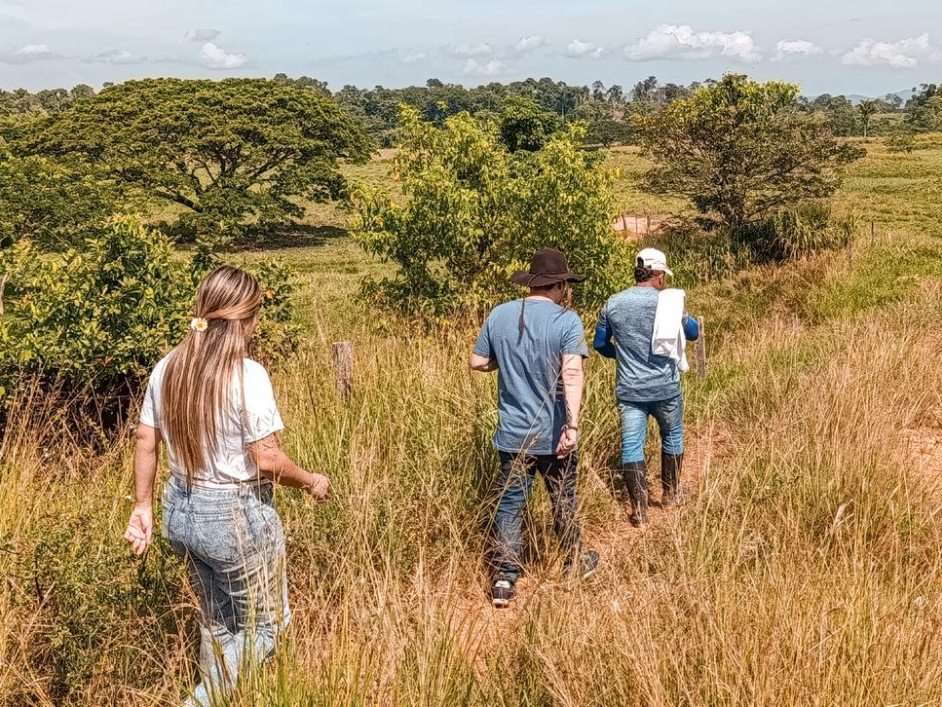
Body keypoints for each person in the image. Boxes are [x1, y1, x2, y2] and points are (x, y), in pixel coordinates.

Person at [123, 266, 330, 706]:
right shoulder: (247, 374)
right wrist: (311, 481)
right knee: (268, 627)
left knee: (218, 623)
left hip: (179, 506)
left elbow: (145, 438)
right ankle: (198, 702)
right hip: (234, 513)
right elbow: (267, 459)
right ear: (246, 319)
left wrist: (141, 506)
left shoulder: (168, 367)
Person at [471, 248, 599, 608]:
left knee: (511, 502)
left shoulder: (499, 315)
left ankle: (504, 578)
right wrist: (572, 425)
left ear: (531, 283)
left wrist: (506, 362)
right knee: (562, 498)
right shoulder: (566, 321)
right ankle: (574, 562)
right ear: (559, 284)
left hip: (513, 433)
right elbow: (572, 372)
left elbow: (477, 361)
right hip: (554, 431)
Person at [593, 248, 699, 527]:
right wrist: (686, 317)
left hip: (630, 389)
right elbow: (693, 333)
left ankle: (639, 510)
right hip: (665, 387)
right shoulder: (669, 302)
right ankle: (670, 494)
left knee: (631, 445)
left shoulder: (613, 303)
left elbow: (599, 343)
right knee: (672, 436)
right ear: (660, 275)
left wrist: (622, 355)